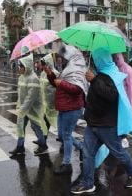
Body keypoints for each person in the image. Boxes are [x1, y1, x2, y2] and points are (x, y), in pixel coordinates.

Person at [71, 47, 132, 195]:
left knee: (119, 152)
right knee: (88, 153)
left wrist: (94, 80)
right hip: (93, 124)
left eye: (95, 58)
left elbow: (111, 95)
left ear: (100, 59)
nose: (93, 62)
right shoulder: (100, 74)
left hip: (107, 125)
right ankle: (88, 183)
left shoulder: (113, 74)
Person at [46, 45, 88, 175]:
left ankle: (67, 164)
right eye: (59, 57)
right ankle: (81, 147)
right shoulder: (68, 68)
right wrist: (51, 76)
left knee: (67, 135)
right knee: (63, 135)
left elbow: (77, 89)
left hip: (72, 108)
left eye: (62, 57)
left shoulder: (77, 69)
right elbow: (58, 84)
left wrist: (60, 83)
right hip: (64, 106)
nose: (60, 59)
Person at [10, 53, 49, 156]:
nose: (19, 68)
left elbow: (30, 97)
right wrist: (19, 105)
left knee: (35, 127)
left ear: (26, 67)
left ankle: (43, 145)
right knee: (20, 127)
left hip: (33, 108)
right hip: (24, 108)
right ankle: (20, 147)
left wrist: (22, 109)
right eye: (19, 66)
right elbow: (21, 94)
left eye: (21, 66)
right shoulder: (22, 77)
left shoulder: (33, 78)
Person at [39, 54, 59, 142]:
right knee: (45, 122)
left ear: (49, 63)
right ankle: (42, 141)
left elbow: (59, 87)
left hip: (54, 104)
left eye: (44, 64)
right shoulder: (42, 74)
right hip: (45, 103)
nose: (43, 66)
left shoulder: (56, 73)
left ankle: (65, 140)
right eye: (42, 64)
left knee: (58, 124)